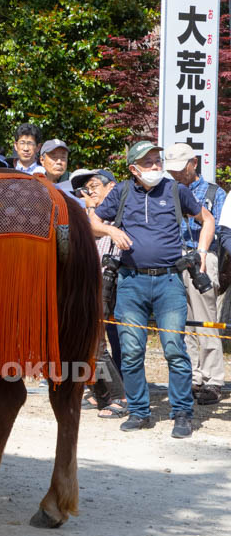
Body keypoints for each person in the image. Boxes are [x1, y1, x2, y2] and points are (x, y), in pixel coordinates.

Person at [90, 141, 215, 438]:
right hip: (130, 282)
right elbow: (92, 222)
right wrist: (111, 230)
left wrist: (201, 252)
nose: (156, 166)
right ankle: (139, 411)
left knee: (174, 349)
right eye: (148, 163)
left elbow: (207, 219)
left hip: (170, 281)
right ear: (133, 169)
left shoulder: (175, 190)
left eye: (157, 160)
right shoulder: (120, 192)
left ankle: (183, 413)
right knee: (132, 351)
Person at [165, 143, 226, 406]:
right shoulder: (168, 190)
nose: (177, 175)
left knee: (206, 318)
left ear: (194, 163)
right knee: (183, 320)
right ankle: (192, 376)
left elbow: (222, 229)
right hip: (174, 257)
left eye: (181, 169)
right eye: (173, 171)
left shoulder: (214, 192)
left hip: (203, 256)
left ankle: (213, 379)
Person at [71, 168, 126, 418]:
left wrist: (94, 215)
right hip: (85, 283)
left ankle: (118, 396)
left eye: (94, 186)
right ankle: (100, 393)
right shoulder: (86, 215)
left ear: (111, 188)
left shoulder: (122, 214)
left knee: (98, 342)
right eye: (86, 188)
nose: (89, 192)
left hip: (111, 283)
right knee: (88, 342)